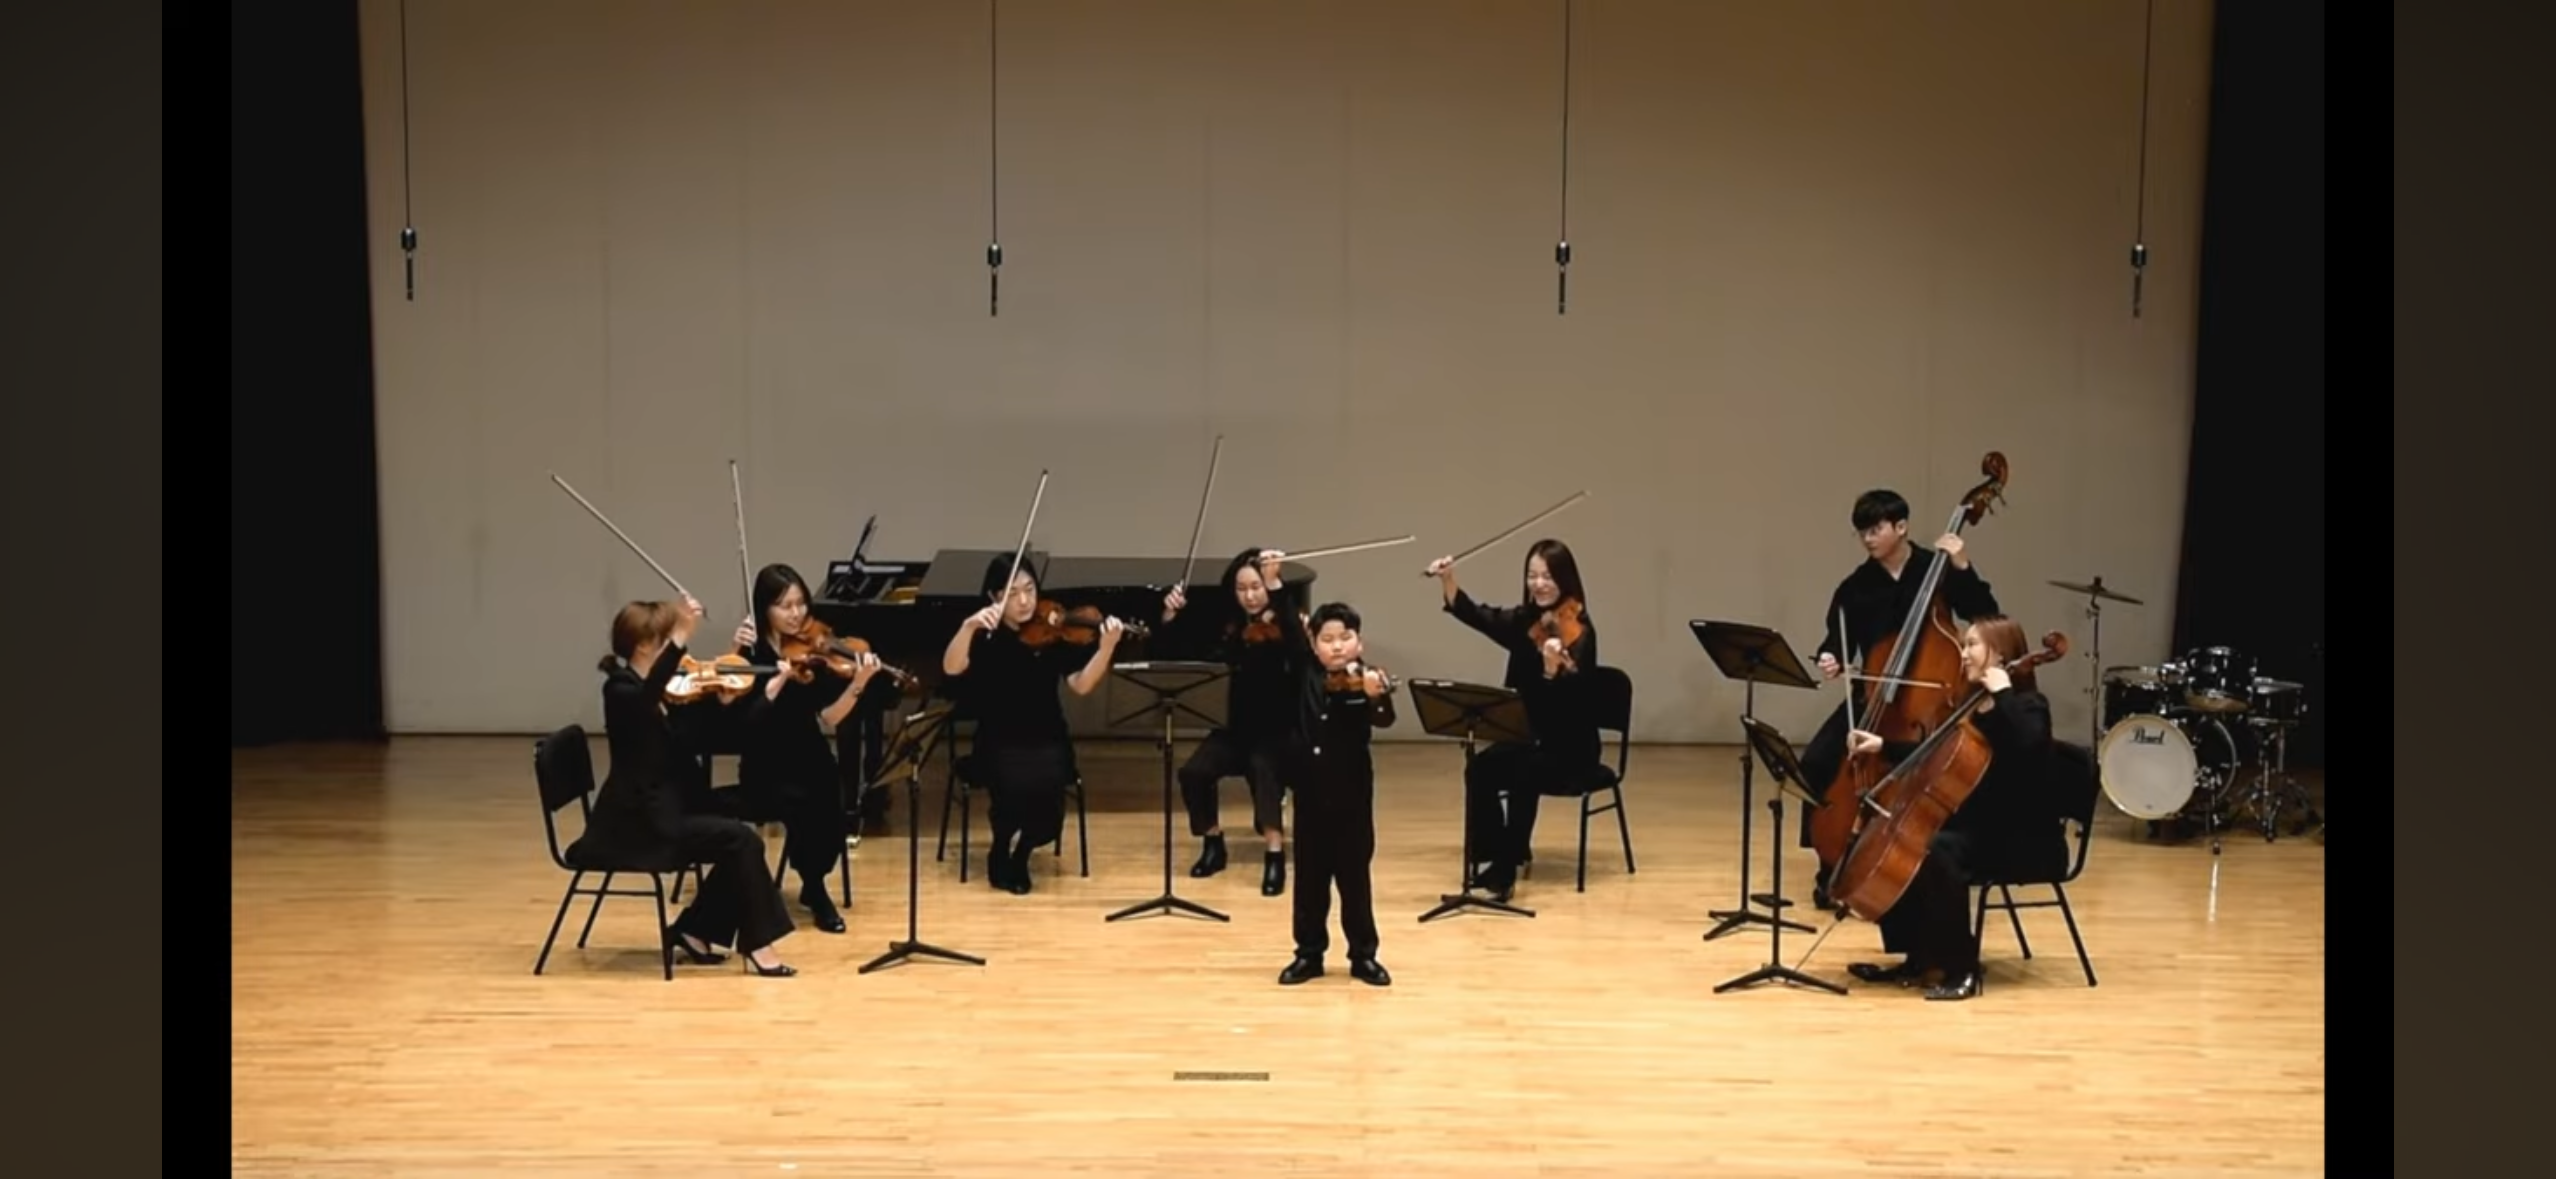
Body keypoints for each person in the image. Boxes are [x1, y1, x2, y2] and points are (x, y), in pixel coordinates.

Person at [1797, 489, 2002, 909]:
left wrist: (1963, 566)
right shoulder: (1854, 587)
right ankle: (1830, 862)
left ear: (1901, 526)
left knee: (1942, 767)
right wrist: (1831, 657)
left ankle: (1939, 862)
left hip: (1929, 702)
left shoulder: (1936, 568)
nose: (1868, 539)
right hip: (1875, 697)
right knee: (1816, 762)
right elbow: (1836, 641)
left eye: (1876, 529)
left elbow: (1986, 614)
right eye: (1862, 533)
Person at [574, 595, 797, 977]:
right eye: (666, 641)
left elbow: (704, 737)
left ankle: (694, 932)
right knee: (741, 841)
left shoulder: (666, 692)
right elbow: (644, 703)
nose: (681, 655)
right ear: (645, 646)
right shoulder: (622, 691)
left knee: (739, 840)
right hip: (638, 825)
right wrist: (680, 635)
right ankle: (758, 945)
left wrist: (735, 699)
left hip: (670, 805)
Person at [1841, 614, 2058, 1001]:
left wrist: (2004, 693)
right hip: (1976, 826)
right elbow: (1936, 754)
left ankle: (1962, 968)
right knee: (1907, 842)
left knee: (1937, 849)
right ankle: (1920, 958)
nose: (1964, 653)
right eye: (1964, 644)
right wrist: (1884, 746)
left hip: (2018, 836)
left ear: (2001, 653)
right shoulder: (1970, 705)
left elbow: (2031, 747)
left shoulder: (2028, 705)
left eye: (1972, 644)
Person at [1424, 539, 1601, 901]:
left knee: (1525, 773)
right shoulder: (1526, 621)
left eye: (1547, 576)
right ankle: (1499, 851)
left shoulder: (1580, 633)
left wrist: (1551, 672)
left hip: (1571, 746)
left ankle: (1504, 872)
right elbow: (1480, 616)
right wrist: (1448, 580)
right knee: (1480, 769)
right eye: (1532, 575)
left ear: (1565, 579)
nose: (1539, 584)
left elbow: (1573, 708)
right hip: (1529, 737)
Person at [941, 553, 1128, 894]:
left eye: (1030, 589)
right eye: (1012, 593)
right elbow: (952, 668)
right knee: (1014, 787)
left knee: (1049, 805)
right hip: (999, 737)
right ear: (994, 597)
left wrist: (1106, 649)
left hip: (1048, 734)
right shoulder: (984, 635)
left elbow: (1081, 685)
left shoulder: (1054, 632)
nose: (1025, 601)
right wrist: (968, 627)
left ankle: (1023, 852)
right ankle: (1000, 847)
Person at [735, 564, 883, 934]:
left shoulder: (813, 652)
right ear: (764, 608)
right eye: (785, 606)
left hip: (808, 751)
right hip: (765, 761)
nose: (796, 613)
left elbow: (830, 717)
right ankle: (814, 888)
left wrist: (858, 684)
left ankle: (813, 881)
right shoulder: (751, 651)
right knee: (800, 802)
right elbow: (738, 715)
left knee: (832, 800)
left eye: (800, 603)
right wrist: (737, 649)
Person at [1158, 547, 1304, 896]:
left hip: (1278, 731)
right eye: (1242, 589)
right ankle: (1212, 842)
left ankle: (1274, 854)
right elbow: (1182, 648)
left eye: (1256, 587)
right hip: (1234, 729)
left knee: (1264, 768)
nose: (1250, 596)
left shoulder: (1285, 620)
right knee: (1193, 772)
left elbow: (1300, 651)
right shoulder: (1228, 624)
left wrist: (1277, 586)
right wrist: (1170, 615)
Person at [1277, 602, 1395, 987]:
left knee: (1354, 880)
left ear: (1359, 642)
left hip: (1352, 798)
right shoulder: (1304, 672)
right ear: (1314, 645)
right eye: (1327, 639)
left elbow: (1385, 718)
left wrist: (1376, 695)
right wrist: (1275, 585)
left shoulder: (1366, 678)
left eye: (1345, 638)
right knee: (1309, 882)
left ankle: (1364, 956)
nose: (1337, 646)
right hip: (1310, 795)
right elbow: (1290, 633)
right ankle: (1308, 954)